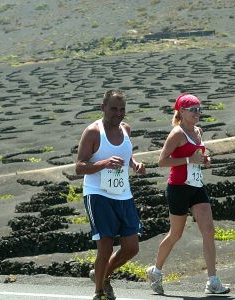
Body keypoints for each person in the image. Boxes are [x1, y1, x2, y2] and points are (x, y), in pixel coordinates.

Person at [146, 93, 230, 295]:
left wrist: (204, 160)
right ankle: (156, 271)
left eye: (199, 109)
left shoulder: (198, 131)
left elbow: (197, 156)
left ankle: (213, 281)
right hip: (178, 188)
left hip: (196, 186)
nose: (197, 113)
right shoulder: (177, 134)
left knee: (209, 231)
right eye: (193, 109)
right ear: (181, 112)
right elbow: (162, 161)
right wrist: (188, 161)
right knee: (176, 234)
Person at [76, 89, 145, 300]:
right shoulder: (93, 132)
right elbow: (79, 167)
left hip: (123, 194)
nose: (118, 113)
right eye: (113, 108)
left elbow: (126, 153)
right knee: (105, 248)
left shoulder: (126, 129)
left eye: (122, 109)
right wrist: (104, 163)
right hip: (98, 195)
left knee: (132, 248)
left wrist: (135, 164)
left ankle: (103, 275)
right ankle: (99, 292)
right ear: (103, 107)